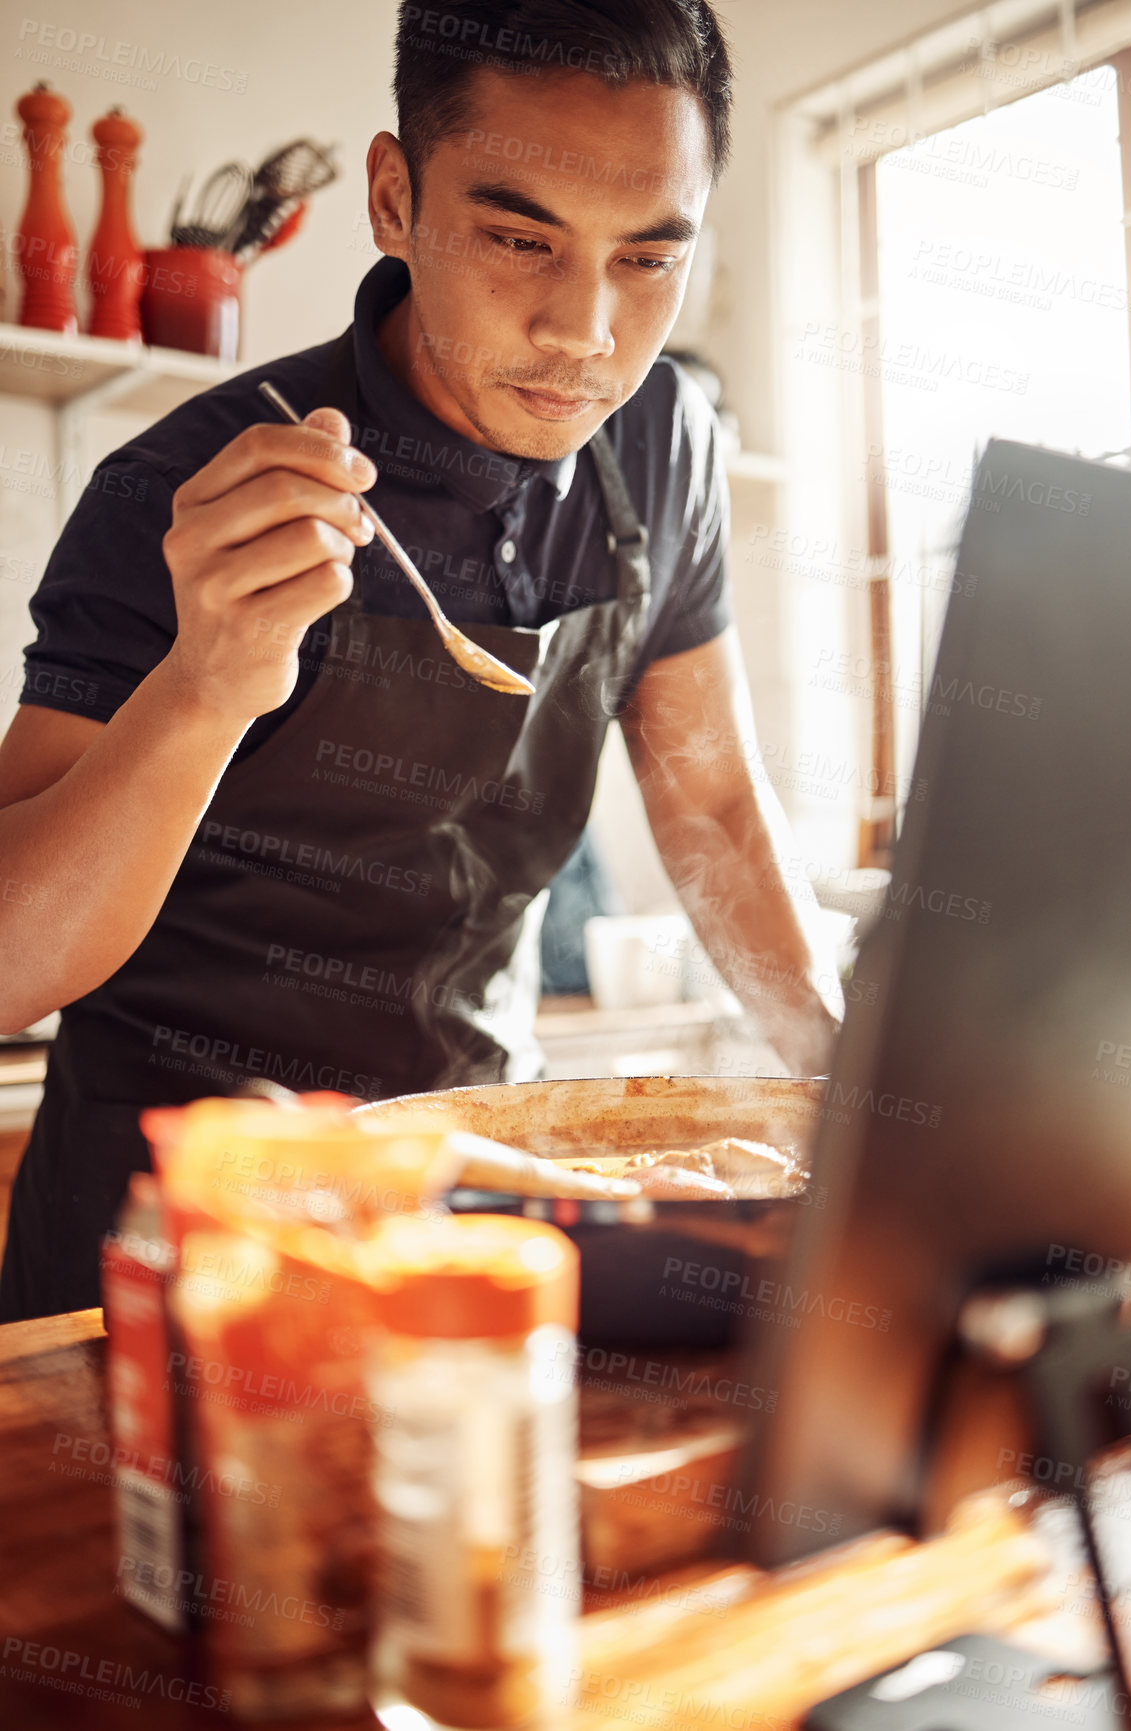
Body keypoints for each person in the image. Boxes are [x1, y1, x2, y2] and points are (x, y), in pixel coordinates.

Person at [0, 0, 841, 1322]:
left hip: (480, 1195)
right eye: (519, 239)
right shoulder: (178, 490)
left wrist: (852, 1094)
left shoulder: (666, 439)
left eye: (646, 260)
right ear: (393, 197)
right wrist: (208, 683)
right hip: (178, 1229)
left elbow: (718, 808)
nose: (585, 332)